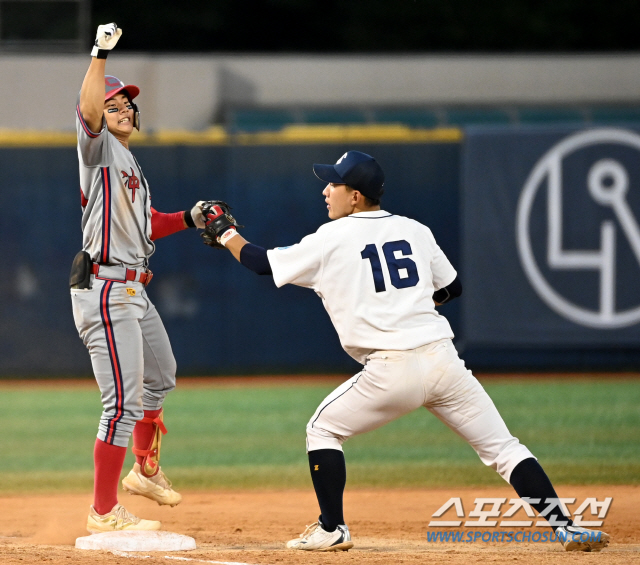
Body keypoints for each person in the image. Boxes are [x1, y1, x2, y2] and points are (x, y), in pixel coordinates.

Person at [202, 150, 611, 553]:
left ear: (356, 196)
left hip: (390, 370)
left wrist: (224, 231)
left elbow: (261, 263)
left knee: (323, 430)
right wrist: (407, 305)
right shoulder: (415, 229)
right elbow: (451, 288)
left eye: (335, 183)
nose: (327, 190)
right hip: (443, 362)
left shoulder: (331, 238)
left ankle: (332, 528)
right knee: (503, 448)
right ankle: (566, 527)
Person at [71, 23, 208, 533]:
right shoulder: (99, 150)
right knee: (122, 403)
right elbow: (87, 112)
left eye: (127, 103)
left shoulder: (129, 162)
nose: (123, 108)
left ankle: (144, 470)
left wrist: (191, 218)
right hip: (106, 289)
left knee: (162, 375)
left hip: (133, 289)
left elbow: (148, 225)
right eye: (114, 104)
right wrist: (100, 54)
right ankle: (103, 511)